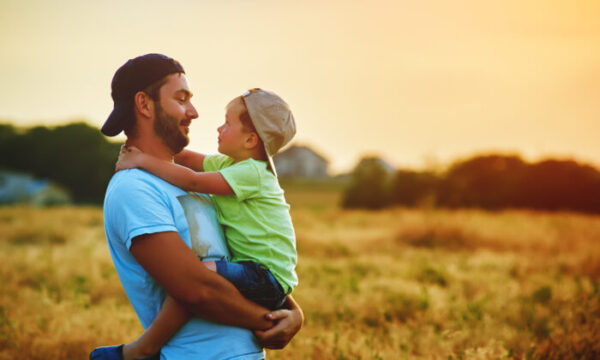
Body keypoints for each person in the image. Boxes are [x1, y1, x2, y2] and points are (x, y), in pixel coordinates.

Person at [90, 54, 303, 360]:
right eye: (181, 99)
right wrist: (270, 321)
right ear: (144, 104)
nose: (195, 112)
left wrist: (293, 313)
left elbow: (240, 264)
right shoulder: (134, 188)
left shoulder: (207, 181)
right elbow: (197, 291)